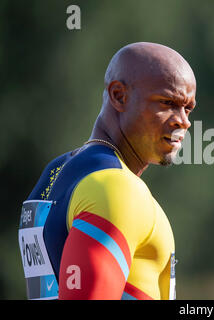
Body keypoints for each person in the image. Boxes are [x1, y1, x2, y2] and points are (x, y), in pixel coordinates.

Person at [17, 42, 197, 300]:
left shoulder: (56, 171)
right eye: (167, 102)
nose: (184, 120)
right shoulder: (117, 188)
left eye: (188, 108)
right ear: (118, 96)